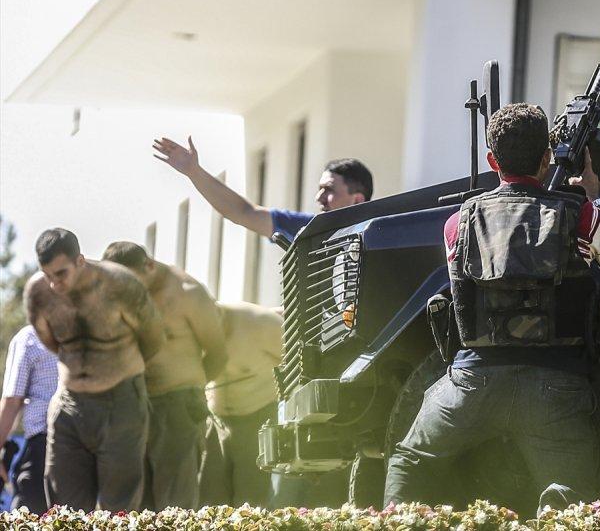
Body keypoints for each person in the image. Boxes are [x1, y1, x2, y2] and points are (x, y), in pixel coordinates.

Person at [383, 103, 600, 514]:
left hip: (472, 384)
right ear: (546, 158)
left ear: (491, 160)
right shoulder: (580, 215)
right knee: (573, 504)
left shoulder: (457, 223)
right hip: (556, 386)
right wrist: (596, 199)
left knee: (410, 462)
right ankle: (559, 501)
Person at [25, 228, 164, 512]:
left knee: (118, 510)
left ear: (80, 261)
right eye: (47, 275)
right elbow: (53, 343)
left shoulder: (120, 285)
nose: (54, 284)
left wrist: (113, 369)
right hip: (69, 404)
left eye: (60, 274)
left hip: (121, 402)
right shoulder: (38, 293)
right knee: (64, 508)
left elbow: (153, 339)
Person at [101, 242, 226, 511]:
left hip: (179, 405)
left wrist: (193, 391)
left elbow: (218, 352)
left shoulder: (188, 294)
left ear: (149, 266)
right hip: (134, 405)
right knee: (133, 505)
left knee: (176, 505)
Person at [153, 136, 373, 242]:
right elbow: (243, 213)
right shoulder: (308, 229)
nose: (319, 197)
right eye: (319, 189)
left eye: (329, 189)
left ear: (357, 199)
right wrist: (194, 171)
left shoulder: (379, 236)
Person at [198, 302, 303, 508]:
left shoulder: (262, 324)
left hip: (257, 417)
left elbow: (299, 366)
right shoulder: (196, 331)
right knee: (209, 495)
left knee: (250, 497)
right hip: (215, 421)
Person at [0, 324, 58, 514]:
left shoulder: (30, 337)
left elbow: (12, 400)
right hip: (89, 444)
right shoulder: (92, 332)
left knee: (24, 519)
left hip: (43, 447)